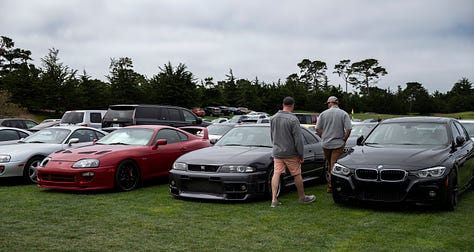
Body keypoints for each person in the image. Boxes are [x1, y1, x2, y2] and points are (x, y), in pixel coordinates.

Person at [270, 96, 316, 207]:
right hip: (290, 152)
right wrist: (301, 154)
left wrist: (275, 146)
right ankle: (302, 197)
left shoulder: (273, 118)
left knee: (276, 173)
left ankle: (274, 200)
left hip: (277, 151)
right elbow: (298, 139)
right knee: (297, 174)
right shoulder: (293, 119)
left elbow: (272, 135)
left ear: (283, 104)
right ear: (293, 105)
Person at [316, 96, 352, 193]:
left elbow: (318, 129)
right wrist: (344, 139)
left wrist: (323, 137)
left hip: (326, 144)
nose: (327, 105)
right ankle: (332, 186)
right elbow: (348, 129)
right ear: (337, 103)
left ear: (330, 103)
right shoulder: (344, 113)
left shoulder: (323, 114)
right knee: (334, 165)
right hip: (338, 144)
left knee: (330, 165)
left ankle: (331, 185)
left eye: (328, 103)